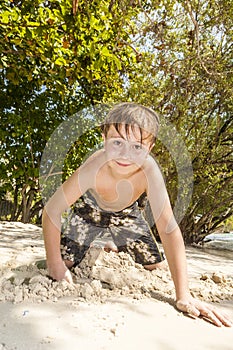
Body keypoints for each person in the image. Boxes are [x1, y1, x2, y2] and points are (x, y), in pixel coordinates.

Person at [42, 102, 232, 327]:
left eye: (137, 147)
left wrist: (184, 295)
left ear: (149, 149)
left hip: (126, 215)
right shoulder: (93, 167)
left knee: (155, 266)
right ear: (104, 139)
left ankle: (115, 246)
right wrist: (54, 263)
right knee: (66, 262)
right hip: (89, 211)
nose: (125, 154)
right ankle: (98, 244)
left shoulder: (149, 170)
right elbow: (52, 210)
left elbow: (168, 227)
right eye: (117, 142)